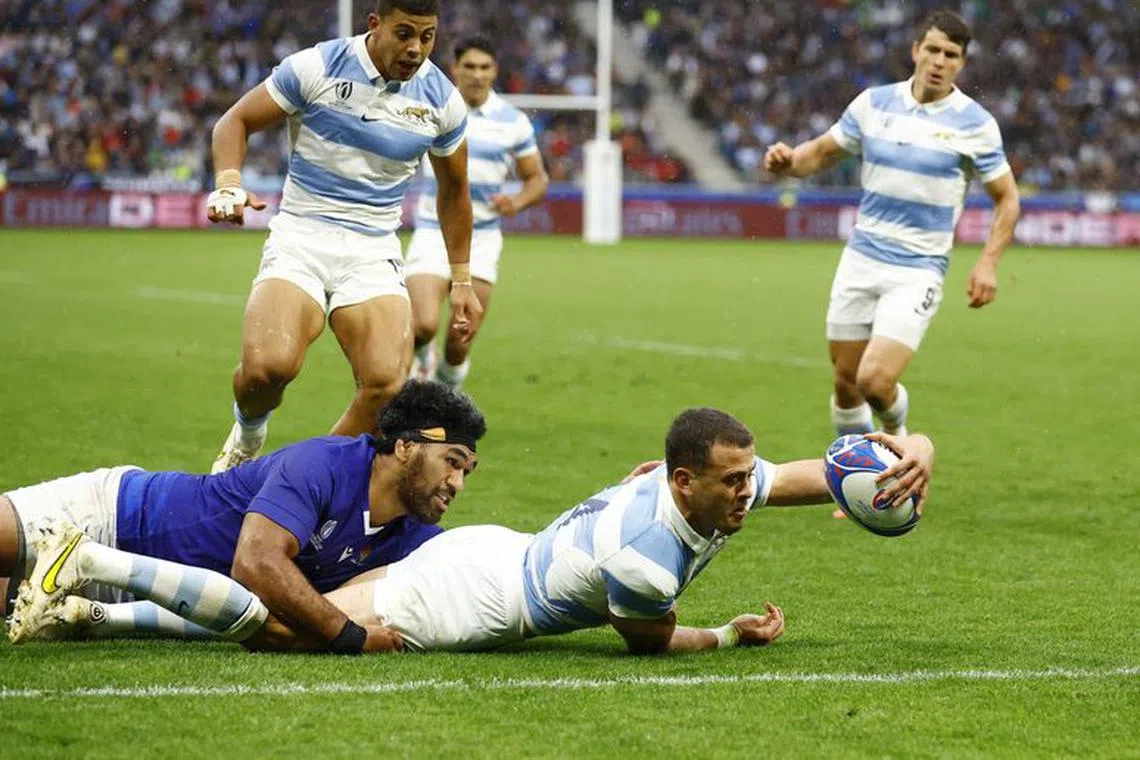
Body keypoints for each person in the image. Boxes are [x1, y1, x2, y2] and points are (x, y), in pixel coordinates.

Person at [17, 409, 934, 656]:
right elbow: (652, 643)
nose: (750, 497)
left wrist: (910, 447)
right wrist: (728, 633)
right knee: (287, 627)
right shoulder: (647, 561)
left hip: (497, 550)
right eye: (735, 485)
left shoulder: (691, 486)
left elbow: (815, 477)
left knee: (288, 622)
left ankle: (88, 616)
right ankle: (95, 566)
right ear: (686, 480)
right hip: (472, 597)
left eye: (750, 481)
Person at [3, 381, 485, 655]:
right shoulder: (324, 464)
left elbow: (465, 583)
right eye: (452, 461)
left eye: (467, 470)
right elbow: (254, 563)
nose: (458, 483)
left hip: (133, 598)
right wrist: (352, 637)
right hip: (115, 517)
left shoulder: (416, 537)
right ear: (404, 447)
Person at [205, 0, 483, 473]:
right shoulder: (318, 66)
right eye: (405, 34)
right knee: (266, 369)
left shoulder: (442, 100)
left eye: (428, 36)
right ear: (375, 25)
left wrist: (461, 281)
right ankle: (247, 439)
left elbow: (455, 193)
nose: (416, 49)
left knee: (386, 388)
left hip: (372, 247)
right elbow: (235, 121)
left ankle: (296, 477)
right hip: (302, 235)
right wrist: (229, 182)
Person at [762, 10, 1018, 521]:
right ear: (915, 51)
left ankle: (896, 448)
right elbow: (821, 154)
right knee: (844, 382)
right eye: (933, 50)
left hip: (919, 267)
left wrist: (988, 263)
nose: (940, 62)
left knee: (874, 381)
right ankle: (850, 485)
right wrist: (787, 162)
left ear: (962, 64)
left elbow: (1007, 199)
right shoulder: (873, 104)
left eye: (952, 55)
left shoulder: (975, 125)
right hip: (861, 257)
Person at [405, 35, 549, 388]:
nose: (477, 74)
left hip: (482, 237)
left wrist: (515, 202)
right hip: (432, 231)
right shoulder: (434, 107)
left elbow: (537, 178)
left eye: (485, 67)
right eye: (469, 66)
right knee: (422, 324)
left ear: (495, 71)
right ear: (455, 69)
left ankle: (444, 395)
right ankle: (423, 356)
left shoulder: (512, 121)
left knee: (459, 341)